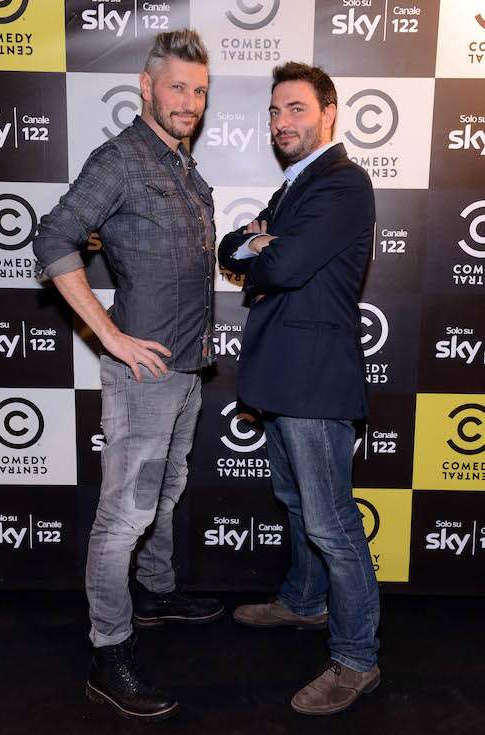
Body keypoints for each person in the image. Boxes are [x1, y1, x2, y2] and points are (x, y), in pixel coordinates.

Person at [33, 29, 223, 723]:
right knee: (124, 516)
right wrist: (108, 335)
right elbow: (52, 237)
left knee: (164, 491)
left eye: (199, 91)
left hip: (188, 366)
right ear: (146, 87)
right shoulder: (120, 160)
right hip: (144, 376)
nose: (190, 102)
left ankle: (157, 592)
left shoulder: (181, 164)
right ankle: (107, 652)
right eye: (178, 87)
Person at [218, 62, 380, 716]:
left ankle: (357, 659)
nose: (281, 122)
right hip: (284, 376)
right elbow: (231, 250)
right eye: (274, 111)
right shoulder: (296, 187)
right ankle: (305, 602)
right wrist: (259, 240)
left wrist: (265, 244)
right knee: (294, 501)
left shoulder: (342, 182)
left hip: (314, 381)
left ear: (328, 113)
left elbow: (280, 264)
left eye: (296, 109)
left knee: (332, 524)